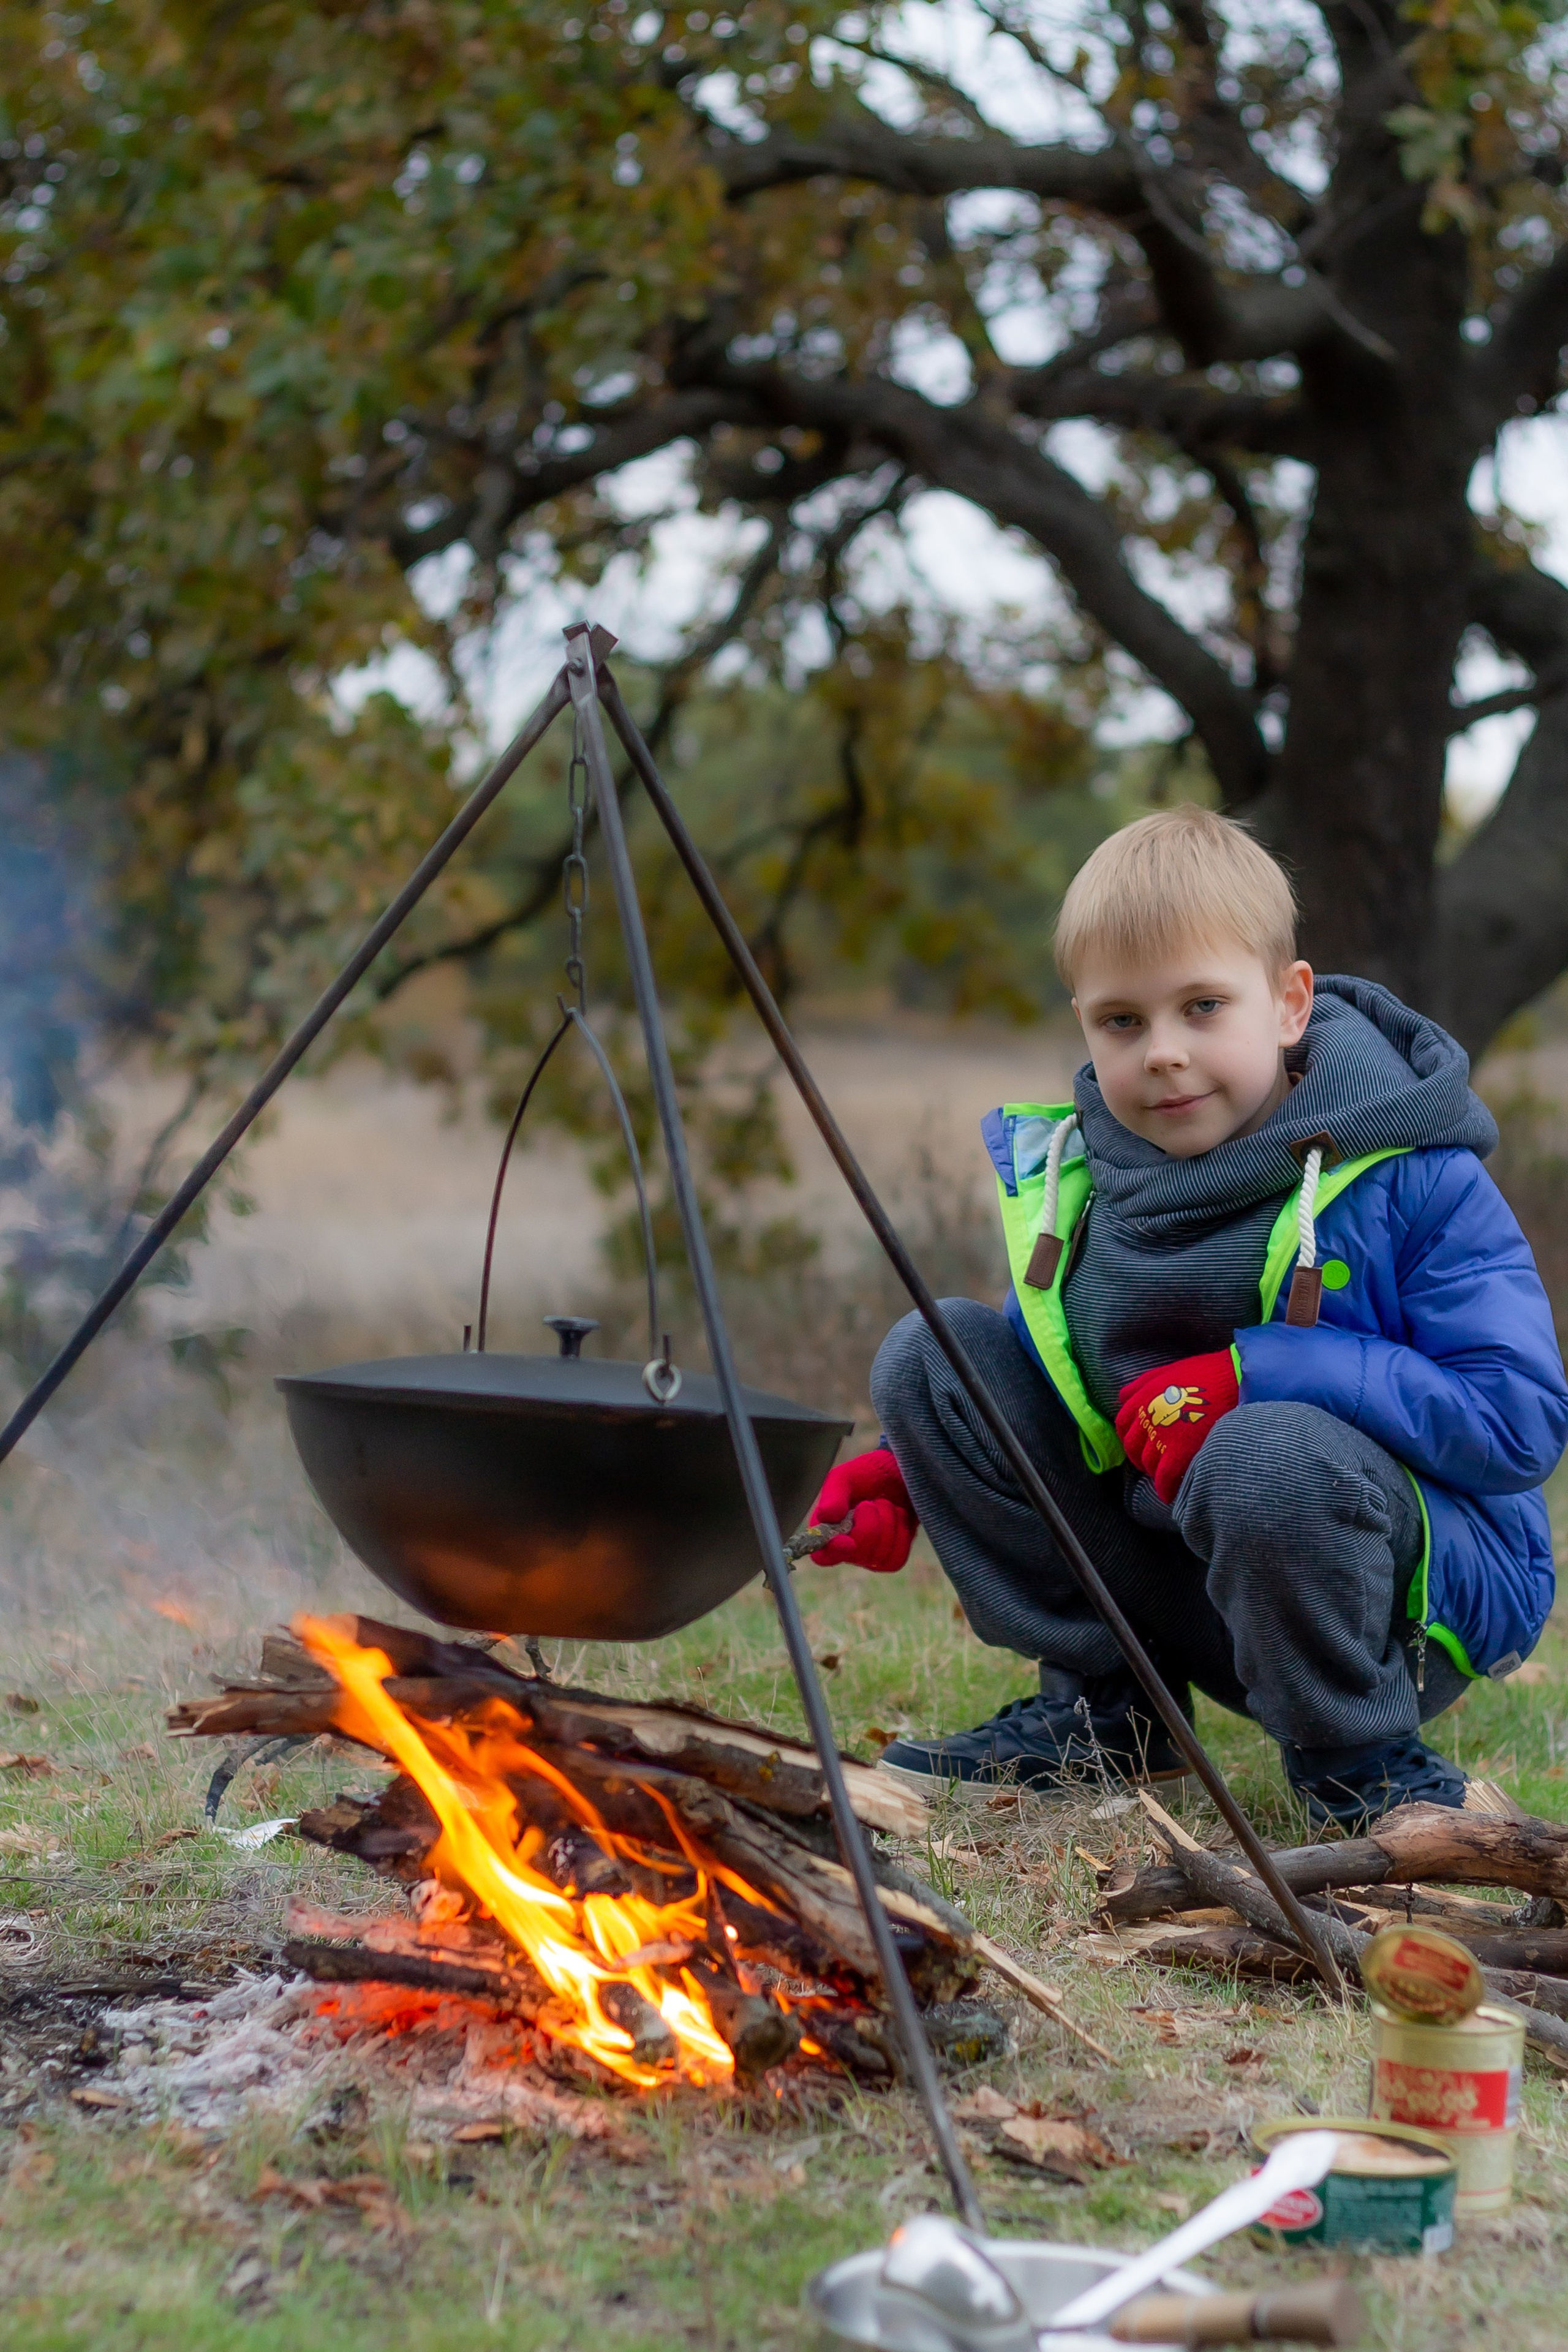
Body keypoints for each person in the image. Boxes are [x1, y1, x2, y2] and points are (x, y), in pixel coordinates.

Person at [807, 807, 1568, 1828]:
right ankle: (1108, 1718)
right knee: (933, 1351)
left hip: (1393, 1599)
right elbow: (1056, 1381)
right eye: (1122, 1021)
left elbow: (1519, 1420)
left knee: (1264, 1447)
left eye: (1203, 1007)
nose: (1163, 1053)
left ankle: (1362, 1760)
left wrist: (1259, 1373)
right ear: (1082, 1021)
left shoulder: (1413, 1176)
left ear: (1290, 1003)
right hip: (1185, 1578)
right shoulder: (1090, 1178)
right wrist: (910, 1470)